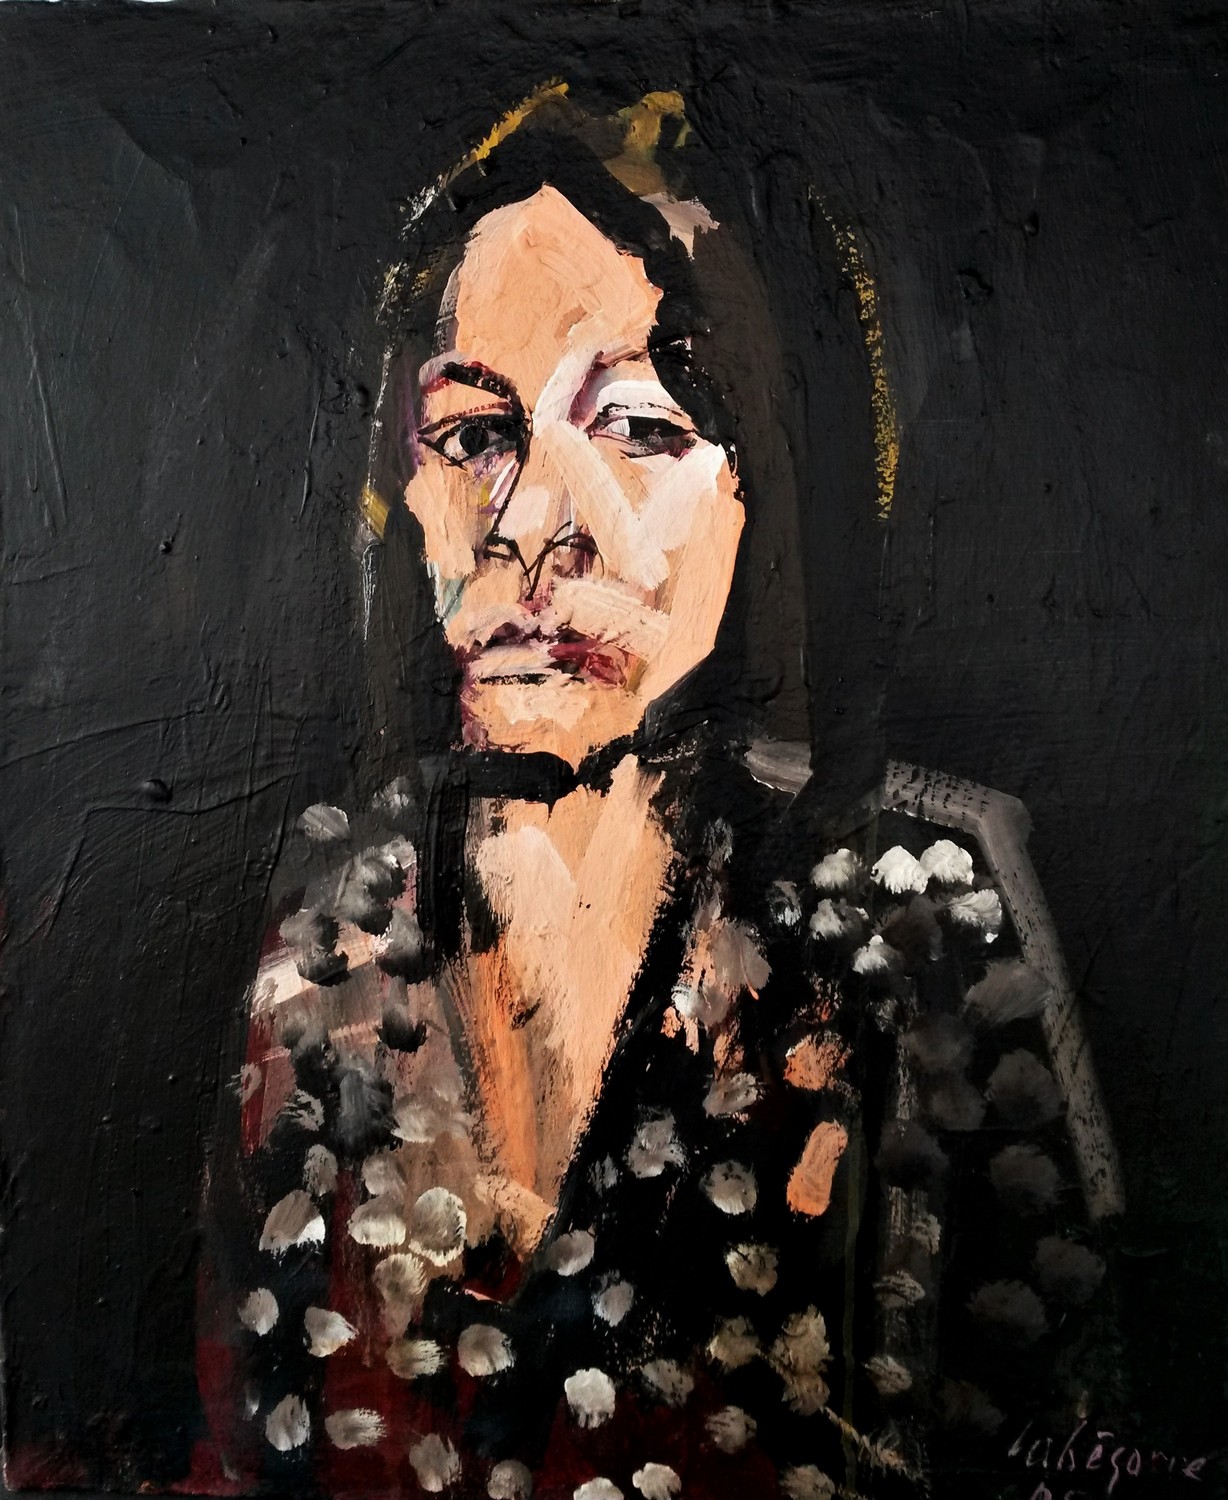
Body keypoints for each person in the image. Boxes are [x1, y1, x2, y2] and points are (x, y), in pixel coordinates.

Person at [196, 89, 1122, 1500]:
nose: (529, 526)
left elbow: (1050, 1446)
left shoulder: (913, 918)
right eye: (472, 437)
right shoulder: (332, 929)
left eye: (634, 426)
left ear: (768, 483)